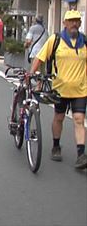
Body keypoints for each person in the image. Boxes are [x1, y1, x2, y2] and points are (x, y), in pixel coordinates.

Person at [30, 10, 86, 170]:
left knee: (79, 119)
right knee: (59, 118)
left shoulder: (85, 42)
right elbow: (40, 57)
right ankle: (56, 145)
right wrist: (31, 74)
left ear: (80, 23)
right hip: (60, 88)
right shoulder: (56, 40)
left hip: (81, 89)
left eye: (77, 21)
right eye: (71, 21)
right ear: (65, 23)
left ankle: (81, 154)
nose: (74, 24)